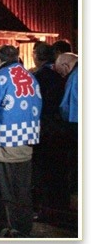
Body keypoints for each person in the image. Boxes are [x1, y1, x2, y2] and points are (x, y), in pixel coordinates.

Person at [0, 45, 42, 237]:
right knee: (23, 185)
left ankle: (9, 226)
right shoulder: (30, 77)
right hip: (28, 137)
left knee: (5, 186)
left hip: (5, 139)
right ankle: (24, 225)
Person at [31, 43, 68, 219]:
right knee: (59, 171)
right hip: (61, 128)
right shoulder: (60, 75)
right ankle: (61, 207)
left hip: (43, 129)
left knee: (43, 172)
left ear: (36, 56)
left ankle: (45, 210)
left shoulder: (36, 77)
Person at [54, 52, 79, 195]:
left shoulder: (75, 77)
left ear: (66, 65)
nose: (62, 76)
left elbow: (67, 107)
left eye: (61, 72)